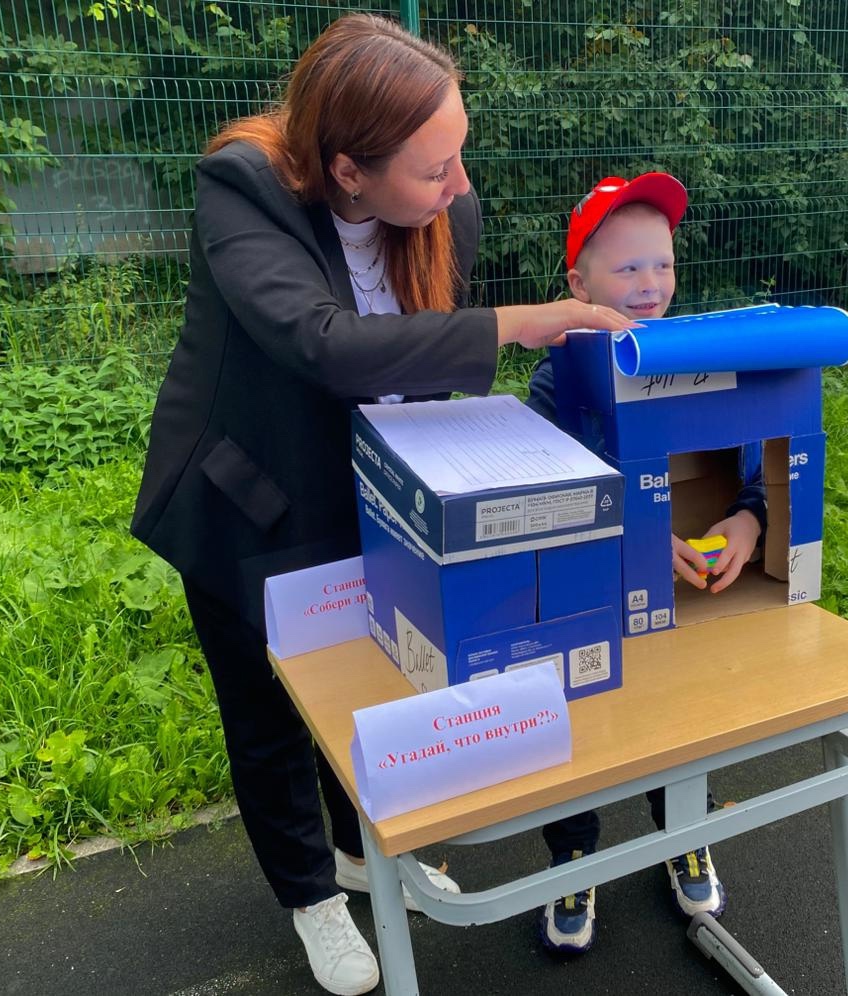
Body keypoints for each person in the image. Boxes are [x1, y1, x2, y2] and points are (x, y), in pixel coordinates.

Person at [129, 15, 634, 996]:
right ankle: (309, 895)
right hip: (251, 499)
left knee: (367, 679)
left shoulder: (448, 211)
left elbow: (419, 371)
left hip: (373, 495)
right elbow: (320, 342)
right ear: (347, 171)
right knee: (270, 712)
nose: (459, 185)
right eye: (434, 169)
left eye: (459, 156)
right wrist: (512, 325)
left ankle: (364, 850)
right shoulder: (243, 188)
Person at [524, 173, 767, 953]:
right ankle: (572, 854)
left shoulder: (702, 363)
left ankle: (682, 832)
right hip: (588, 603)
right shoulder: (555, 381)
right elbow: (544, 500)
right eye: (627, 268)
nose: (650, 284)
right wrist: (628, 537)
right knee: (581, 723)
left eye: (662, 264)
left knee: (681, 716)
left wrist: (748, 521)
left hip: (686, 601)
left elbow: (759, 465)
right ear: (579, 284)